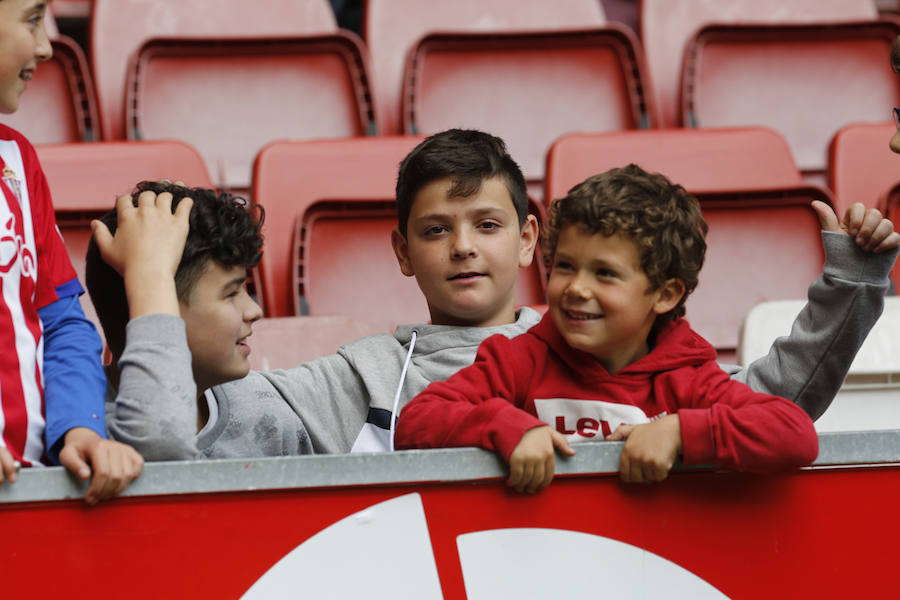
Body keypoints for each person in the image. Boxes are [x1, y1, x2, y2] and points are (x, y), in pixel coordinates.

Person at [98, 129, 897, 461]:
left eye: (487, 223)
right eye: (436, 229)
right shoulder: (354, 378)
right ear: (401, 251)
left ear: (528, 240)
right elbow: (174, 439)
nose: (464, 246)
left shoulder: (617, 344)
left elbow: (780, 410)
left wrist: (853, 283)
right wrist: (151, 292)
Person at [395, 165, 819, 492]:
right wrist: (507, 426)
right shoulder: (519, 358)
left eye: (605, 274)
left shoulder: (690, 380)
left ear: (665, 294)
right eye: (565, 266)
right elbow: (416, 422)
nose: (577, 288)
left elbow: (794, 434)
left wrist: (679, 432)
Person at [0, 0, 142, 504]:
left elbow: (61, 320)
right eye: (33, 19)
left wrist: (80, 427)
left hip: (34, 492)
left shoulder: (17, 162)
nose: (44, 45)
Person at [87, 181, 313, 459]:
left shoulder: (266, 414)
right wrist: (151, 272)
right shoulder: (85, 433)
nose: (254, 310)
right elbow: (161, 441)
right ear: (156, 306)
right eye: (231, 293)